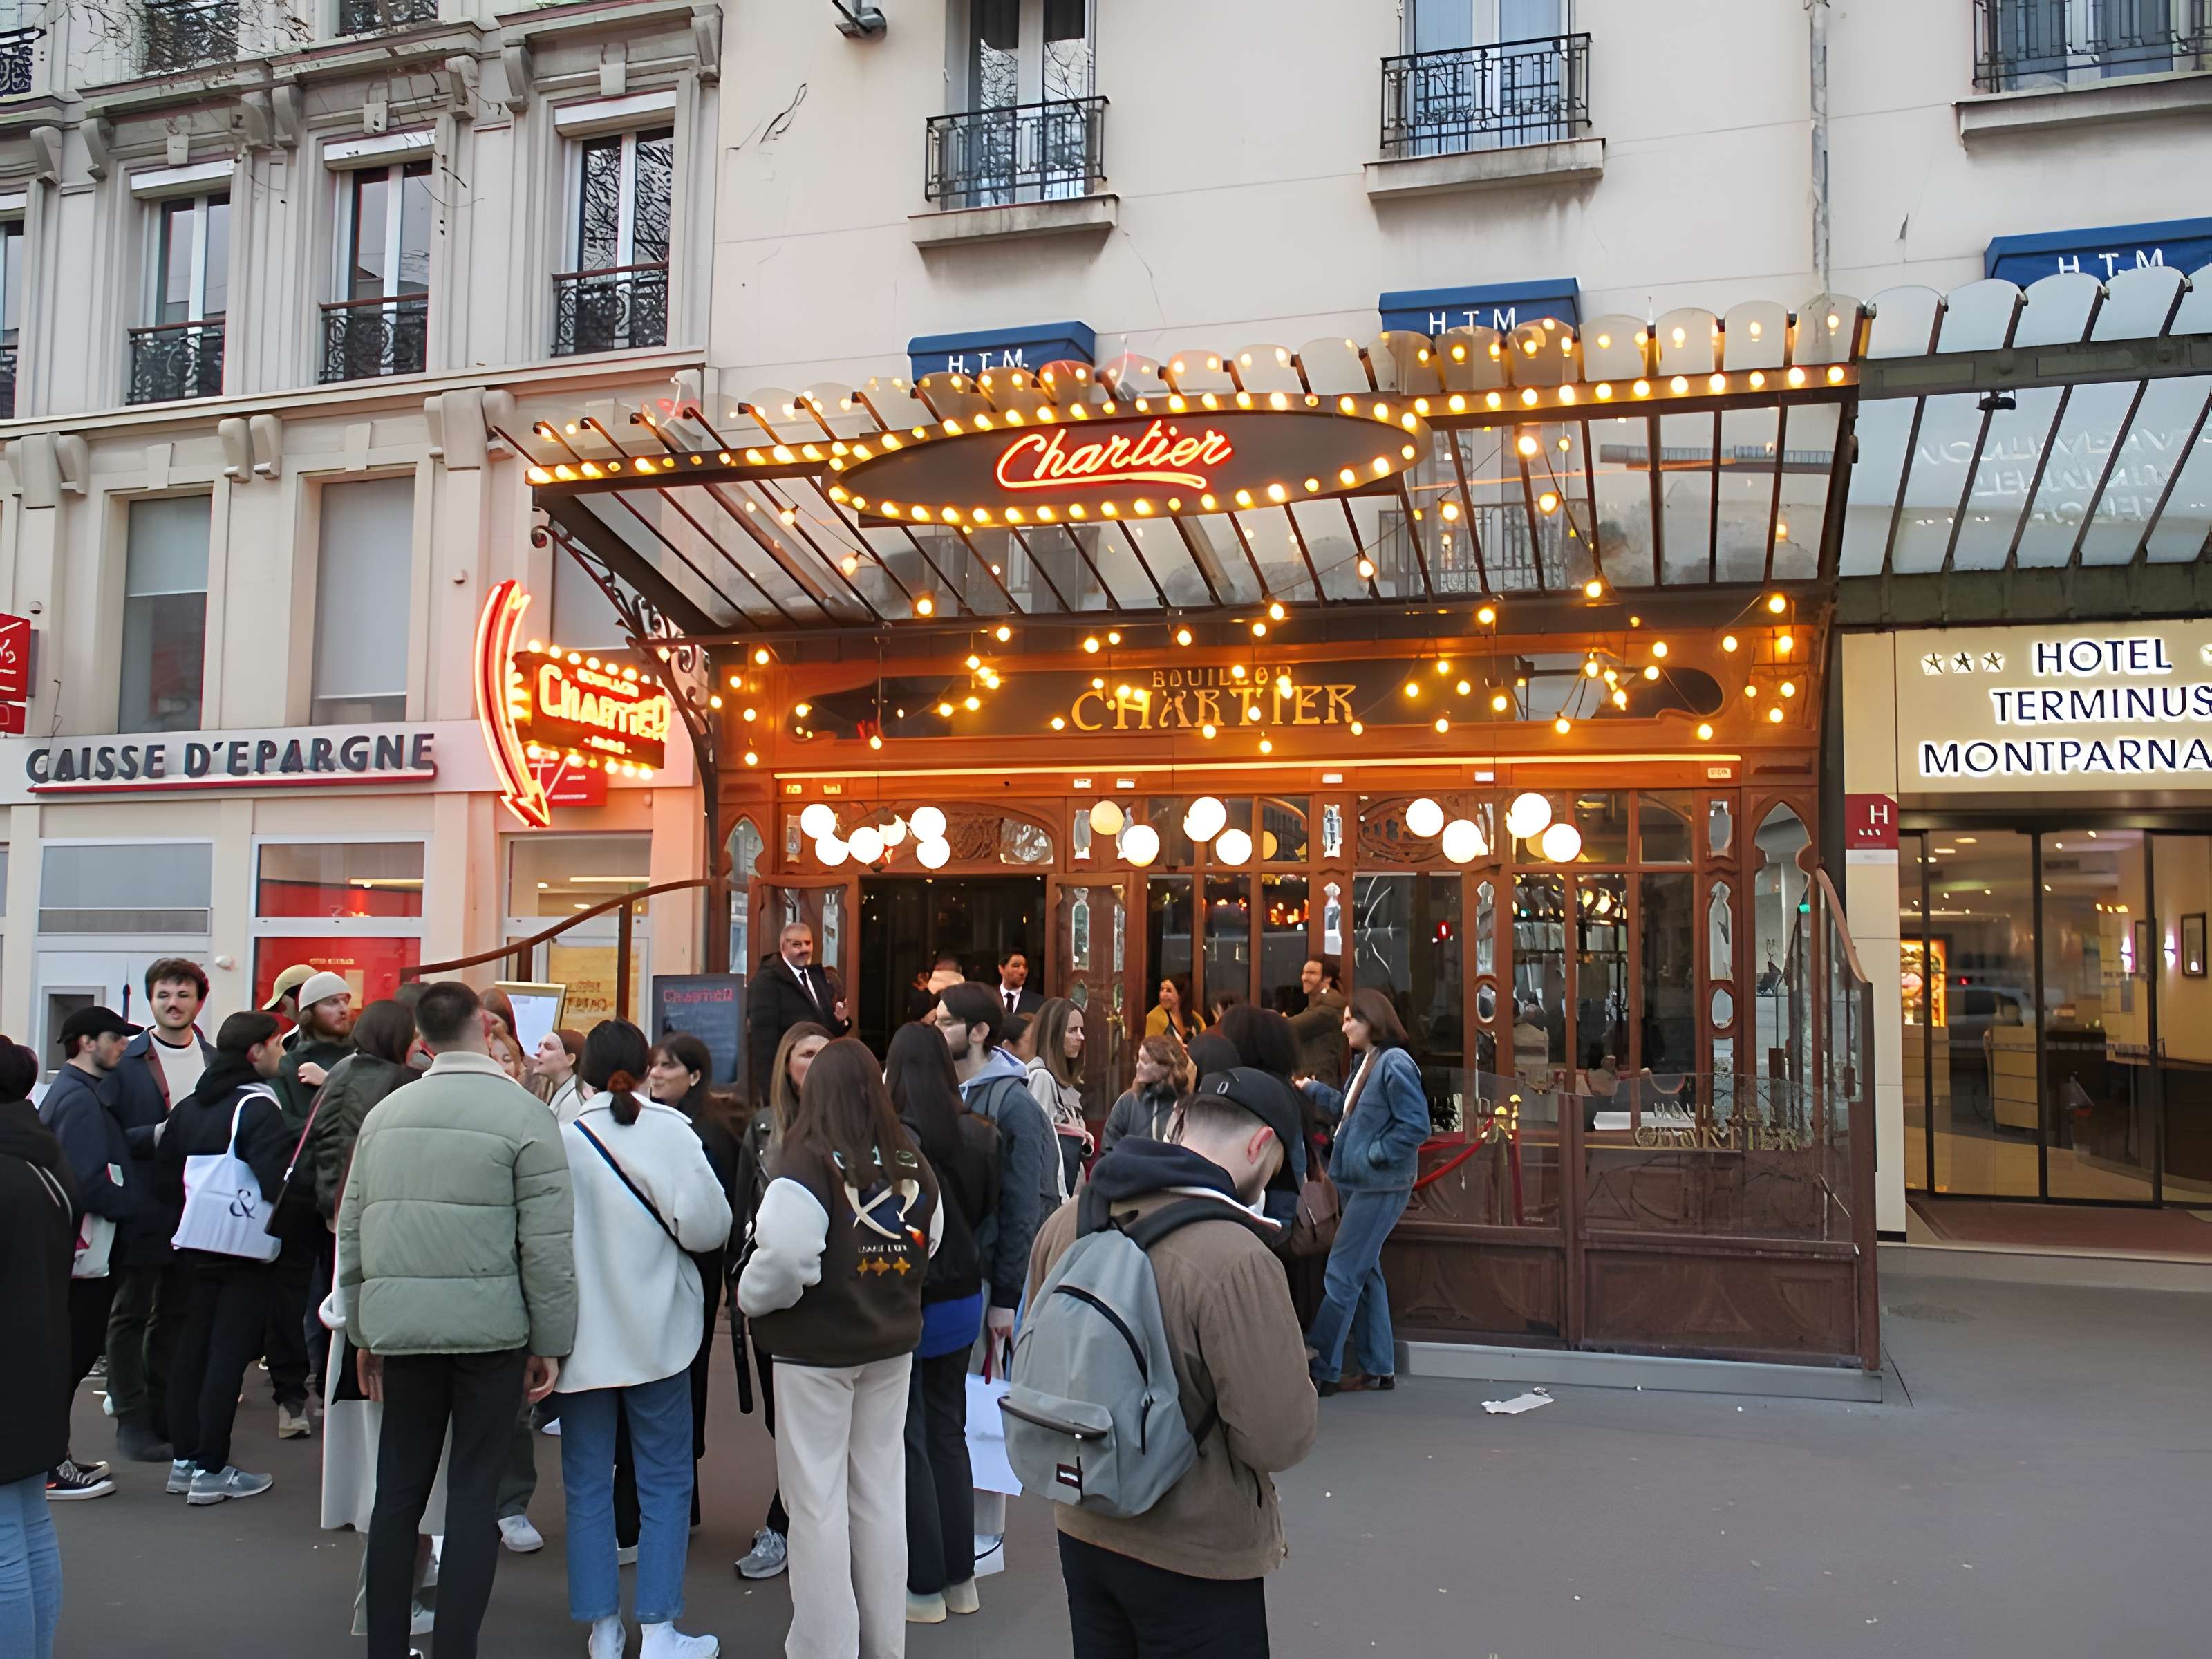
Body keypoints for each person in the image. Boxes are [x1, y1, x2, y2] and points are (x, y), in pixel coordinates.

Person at [1027, 1067, 1319, 1658]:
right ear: (1262, 1145)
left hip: (1082, 1521)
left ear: (1182, 1122)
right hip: (1195, 1546)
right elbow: (1277, 1436)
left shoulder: (1071, 1220)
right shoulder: (1237, 1258)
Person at [339, 980, 576, 1659]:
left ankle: (386, 1645)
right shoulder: (525, 1115)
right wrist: (551, 1339)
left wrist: (361, 1328)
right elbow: (546, 1244)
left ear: (422, 1038)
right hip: (491, 1329)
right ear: (485, 1026)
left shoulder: (386, 1115)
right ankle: (455, 1648)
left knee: (398, 1491)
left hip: (404, 1327)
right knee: (475, 1498)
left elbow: (353, 1230)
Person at [738, 1038, 941, 1659]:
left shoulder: (805, 1160)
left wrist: (751, 1296)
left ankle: (828, 1647)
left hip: (814, 1352)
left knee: (817, 1506)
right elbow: (930, 1241)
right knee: (880, 1496)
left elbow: (786, 1256)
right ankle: (885, 1644)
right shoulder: (910, 1159)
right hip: (891, 1347)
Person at [561, 1020, 731, 1659]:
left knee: (586, 1485)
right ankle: (659, 1628)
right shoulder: (672, 1131)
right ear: (644, 1067)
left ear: (583, 1072)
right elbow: (710, 1227)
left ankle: (602, 1629)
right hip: (660, 1331)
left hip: (580, 1339)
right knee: (665, 1481)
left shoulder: (559, 1136)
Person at [884, 1024, 1000, 1624]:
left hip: (911, 1299)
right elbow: (994, 1217)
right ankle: (962, 1581)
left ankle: (923, 1587)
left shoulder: (893, 1140)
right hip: (965, 1297)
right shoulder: (983, 1132)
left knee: (910, 1440)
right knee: (950, 1435)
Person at [154, 1010, 292, 1505]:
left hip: (191, 1242)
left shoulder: (191, 1106)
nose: (282, 1053)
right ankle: (212, 1468)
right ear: (256, 1051)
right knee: (227, 1357)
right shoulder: (258, 1106)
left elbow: (165, 1177)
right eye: (278, 1043)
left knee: (190, 1351)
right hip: (242, 1249)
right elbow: (276, 1182)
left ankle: (184, 1462)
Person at [731, 1020, 832, 1584]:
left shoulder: (847, 1126)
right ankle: (796, 1515)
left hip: (826, 1295)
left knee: (808, 1421)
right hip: (771, 1292)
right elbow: (743, 1208)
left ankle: (785, 1523)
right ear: (786, 1067)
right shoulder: (764, 1126)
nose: (814, 1064)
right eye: (805, 1054)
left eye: (823, 1053)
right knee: (780, 1418)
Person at [106, 958, 215, 1464]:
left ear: (199, 1001)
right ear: (150, 1000)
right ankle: (131, 1419)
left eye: (183, 994)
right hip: (144, 1205)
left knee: (178, 1315)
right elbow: (106, 1136)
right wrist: (155, 1136)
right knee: (130, 1313)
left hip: (199, 1207)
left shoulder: (214, 1060)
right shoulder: (126, 1059)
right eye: (164, 995)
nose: (173, 1004)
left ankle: (166, 1413)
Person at [38, 1004, 143, 1501]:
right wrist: (138, 1207)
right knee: (67, 1362)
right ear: (86, 1042)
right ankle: (49, 1465)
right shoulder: (79, 1099)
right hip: (83, 1257)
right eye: (115, 1037)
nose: (123, 1045)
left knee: (65, 1361)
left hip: (75, 1253)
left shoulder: (73, 1093)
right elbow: (85, 1183)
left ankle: (52, 1459)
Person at [1306, 990, 1432, 1396]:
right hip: (1365, 1182)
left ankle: (1322, 1368)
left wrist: (1374, 1156)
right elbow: (1349, 1111)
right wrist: (1312, 1090)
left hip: (1377, 1184)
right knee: (1365, 1271)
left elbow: (1416, 1125)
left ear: (1372, 1020)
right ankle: (1379, 1368)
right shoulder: (1370, 1061)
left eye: (1350, 1019)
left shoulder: (1393, 1062)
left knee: (1342, 1272)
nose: (1344, 1027)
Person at [302, 1000, 419, 1414]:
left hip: (329, 1207)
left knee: (333, 1299)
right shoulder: (401, 1081)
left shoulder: (340, 1072)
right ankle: (362, 1393)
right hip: (371, 1208)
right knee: (367, 1303)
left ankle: (329, 1387)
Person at [647, 1033, 743, 1528]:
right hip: (668, 1270)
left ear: (696, 1075)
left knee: (685, 1378)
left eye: (669, 1066)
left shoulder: (707, 1133)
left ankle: (680, 1500)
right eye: (654, 1064)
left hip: (693, 1273)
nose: (656, 1073)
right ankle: (680, 1501)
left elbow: (721, 1214)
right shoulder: (658, 1123)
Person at [1, 1037, 75, 1659]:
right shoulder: (40, 1156)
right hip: (39, 1357)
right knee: (28, 1523)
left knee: (4, 1543)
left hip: (9, 1366)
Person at [933, 984, 1050, 1347]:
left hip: (983, 1283)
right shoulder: (937, 1089)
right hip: (941, 1279)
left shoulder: (1015, 1105)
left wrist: (1005, 1297)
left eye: (947, 1023)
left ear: (979, 1031)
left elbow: (1022, 1207)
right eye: (936, 1021)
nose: (936, 1031)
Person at [270, 969, 357, 1438]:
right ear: (308, 1010)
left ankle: (332, 1387)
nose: (342, 1009)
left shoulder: (358, 1059)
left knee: (341, 1294)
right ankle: (290, 1394)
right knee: (294, 1298)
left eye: (345, 1000)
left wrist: (330, 1086)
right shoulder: (290, 1063)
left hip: (348, 1193)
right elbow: (290, 1128)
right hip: (305, 1194)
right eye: (331, 1002)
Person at [746, 923, 848, 1103]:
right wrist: (772, 1097)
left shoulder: (816, 977)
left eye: (808, 943)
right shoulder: (766, 983)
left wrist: (840, 1020)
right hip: (789, 1086)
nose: (804, 949)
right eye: (797, 944)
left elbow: (824, 1030)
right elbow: (763, 1045)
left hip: (823, 1080)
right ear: (783, 946)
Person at [1025, 996, 1091, 1197]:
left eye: (1081, 1030)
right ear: (1053, 1035)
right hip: (1054, 1197)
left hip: (1072, 1193)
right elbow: (1038, 1145)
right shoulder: (1042, 1078)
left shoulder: (1068, 1087)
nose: (1081, 1037)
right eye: (1072, 1030)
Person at [1100, 1034, 1188, 1152]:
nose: (1138, 1066)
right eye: (1139, 1060)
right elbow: (1108, 1147)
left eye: (1145, 1061)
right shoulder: (1127, 1101)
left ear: (1166, 1066)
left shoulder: (1186, 1106)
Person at [1287, 957, 1349, 1086]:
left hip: (1320, 1083)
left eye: (1312, 973)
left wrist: (1273, 1019)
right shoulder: (1316, 1004)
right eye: (1304, 973)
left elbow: (1291, 1027)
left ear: (1327, 978)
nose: (1304, 977)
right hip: (1312, 1081)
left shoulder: (1329, 1008)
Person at [535, 1028, 586, 1121]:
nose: (538, 1053)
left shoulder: (574, 1100)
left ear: (570, 1059)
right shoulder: (563, 1091)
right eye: (540, 1047)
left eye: (549, 1047)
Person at [1144, 974, 1200, 1042]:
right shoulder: (1154, 1017)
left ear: (1181, 994)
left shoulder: (1197, 1020)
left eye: (1168, 990)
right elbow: (1151, 1046)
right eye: (1161, 990)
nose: (1163, 994)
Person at [993, 948, 1042, 1018]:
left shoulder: (1039, 1003)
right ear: (1001, 968)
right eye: (1016, 966)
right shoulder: (989, 999)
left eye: (1025, 967)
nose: (1022, 971)